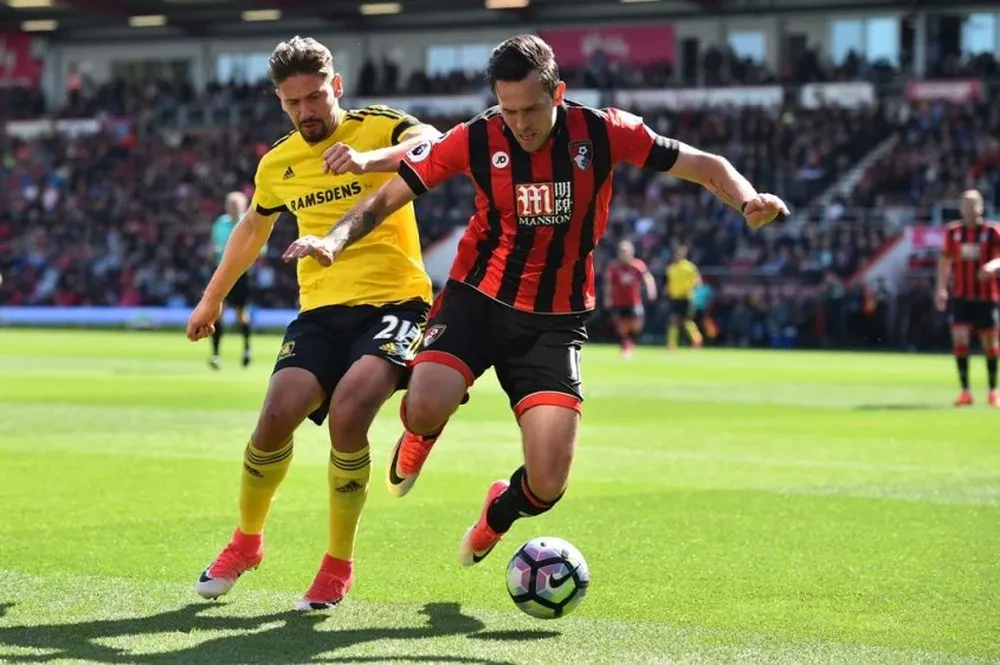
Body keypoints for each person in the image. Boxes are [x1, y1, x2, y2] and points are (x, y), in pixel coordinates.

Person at [283, 34, 788, 567]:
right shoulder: (474, 137)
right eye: (508, 109)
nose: (519, 124)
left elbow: (707, 165)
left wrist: (747, 198)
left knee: (547, 486)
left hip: (556, 319)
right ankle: (423, 430)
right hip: (477, 300)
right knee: (425, 402)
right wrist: (331, 240)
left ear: (558, 93)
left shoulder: (604, 130)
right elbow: (387, 199)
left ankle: (497, 514)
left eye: (530, 109)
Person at [185, 36, 440, 610]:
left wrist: (370, 161)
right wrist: (212, 299)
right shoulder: (278, 163)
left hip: (397, 304)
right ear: (281, 102)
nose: (308, 111)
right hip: (322, 312)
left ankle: (336, 566)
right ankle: (246, 543)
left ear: (337, 88)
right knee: (275, 417)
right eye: (294, 101)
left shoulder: (381, 127)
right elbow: (253, 228)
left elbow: (435, 144)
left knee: (350, 414)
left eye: (316, 96)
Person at [936, 189, 1000, 407]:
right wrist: (941, 289)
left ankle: (993, 391)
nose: (969, 208)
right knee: (960, 338)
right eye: (965, 204)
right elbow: (945, 262)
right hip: (961, 295)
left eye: (973, 204)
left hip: (986, 296)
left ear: (981, 207)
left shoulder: (992, 231)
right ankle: (965, 391)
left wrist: (992, 265)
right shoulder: (953, 232)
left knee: (990, 344)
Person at [209, 191, 256, 370]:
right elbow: (214, 246)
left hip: (242, 274)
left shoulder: (250, 222)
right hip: (221, 272)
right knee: (217, 314)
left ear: (244, 206)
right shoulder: (220, 223)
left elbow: (261, 249)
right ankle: (215, 355)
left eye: (236, 205)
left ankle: (246, 349)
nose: (233, 208)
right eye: (230, 204)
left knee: (240, 314)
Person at [603, 240, 656, 358]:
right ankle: (625, 346)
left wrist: (651, 291)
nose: (623, 254)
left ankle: (630, 343)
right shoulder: (614, 266)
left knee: (637, 325)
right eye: (621, 251)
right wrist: (608, 297)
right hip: (619, 301)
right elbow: (608, 283)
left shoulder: (637, 265)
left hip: (634, 301)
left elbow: (647, 278)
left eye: (626, 251)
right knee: (622, 326)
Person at [664, 244, 703, 350]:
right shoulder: (671, 268)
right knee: (673, 320)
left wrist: (691, 289)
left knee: (686, 321)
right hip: (675, 298)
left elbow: (698, 281)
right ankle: (672, 344)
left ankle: (697, 339)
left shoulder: (689, 267)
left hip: (687, 298)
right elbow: (668, 283)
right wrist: (668, 291)